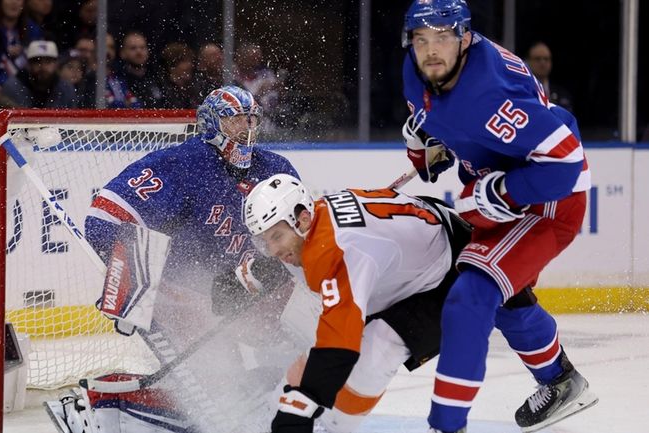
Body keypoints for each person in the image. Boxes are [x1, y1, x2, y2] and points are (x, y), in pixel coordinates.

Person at [48, 86, 302, 433]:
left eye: (251, 119)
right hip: (187, 300)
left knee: (299, 365)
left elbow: (299, 229)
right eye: (235, 120)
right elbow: (104, 218)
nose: (247, 128)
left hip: (248, 296)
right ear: (211, 124)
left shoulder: (274, 167)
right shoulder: (182, 164)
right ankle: (100, 411)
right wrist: (137, 282)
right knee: (218, 405)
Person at [400, 1, 598, 432]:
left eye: (443, 38)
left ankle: (446, 425)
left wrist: (505, 191)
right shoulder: (417, 69)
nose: (431, 50)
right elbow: (440, 146)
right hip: (499, 178)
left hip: (548, 197)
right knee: (504, 292)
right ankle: (560, 380)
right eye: (421, 40)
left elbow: (565, 160)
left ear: (465, 38)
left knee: (471, 296)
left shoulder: (490, 94)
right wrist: (428, 142)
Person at [243, 174, 471, 433]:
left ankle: (332, 428)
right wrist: (246, 275)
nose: (272, 251)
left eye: (276, 237)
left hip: (448, 274)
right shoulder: (313, 221)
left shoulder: (334, 248)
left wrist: (301, 406)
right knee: (319, 359)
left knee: (379, 349)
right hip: (406, 262)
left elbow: (339, 344)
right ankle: (272, 415)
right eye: (264, 241)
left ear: (302, 220)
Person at [2, 40, 77, 108]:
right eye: (37, 62)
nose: (43, 67)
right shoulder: (13, 86)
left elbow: (73, 120)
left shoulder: (66, 89)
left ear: (56, 64)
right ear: (28, 64)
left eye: (48, 62)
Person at [526, 41, 574, 114]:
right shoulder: (523, 90)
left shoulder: (563, 94)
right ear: (528, 62)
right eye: (537, 59)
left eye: (546, 59)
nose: (542, 63)